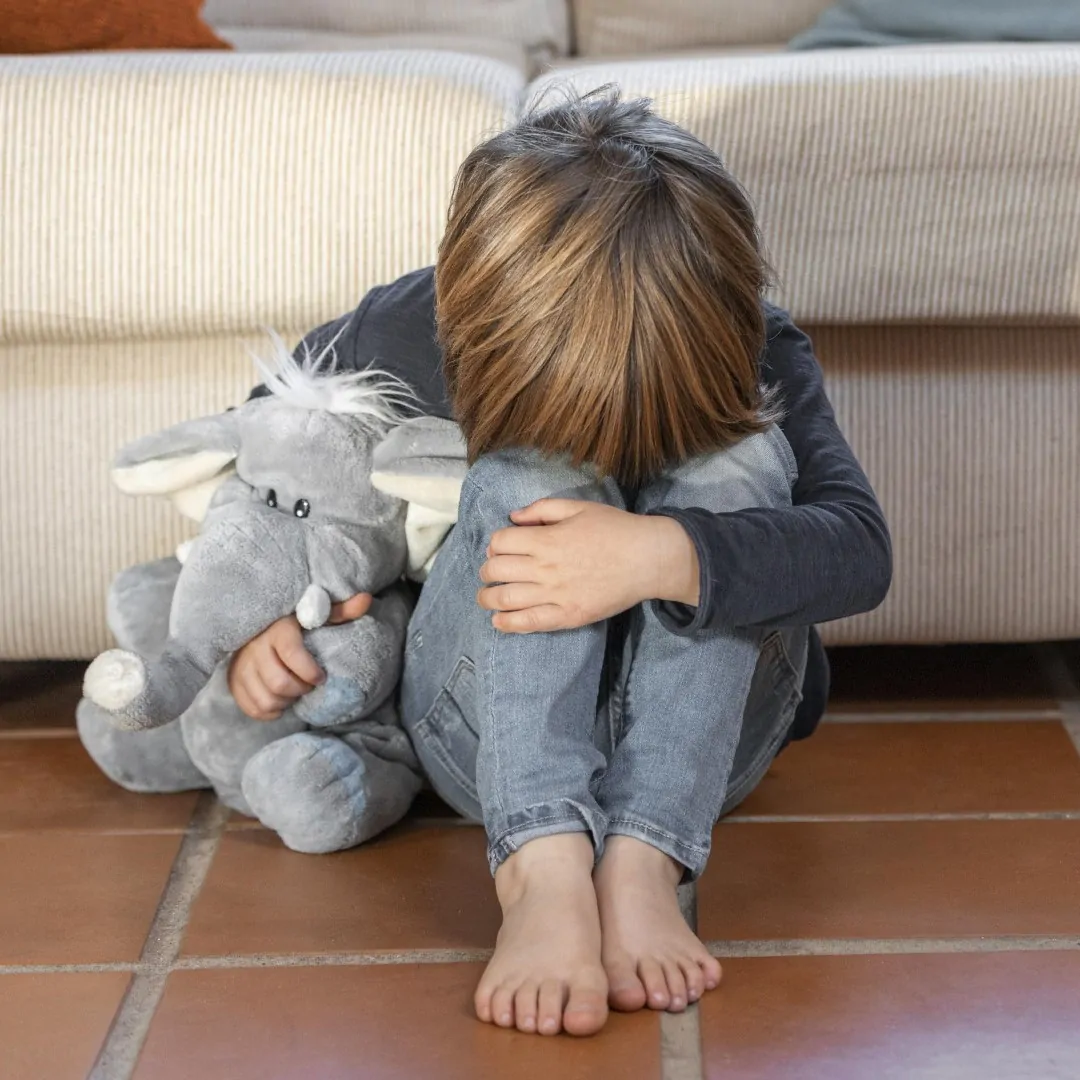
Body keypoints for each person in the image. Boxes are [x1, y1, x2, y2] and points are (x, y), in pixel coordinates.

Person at [228, 88, 891, 1038]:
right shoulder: (414, 326)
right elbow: (273, 458)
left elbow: (862, 553)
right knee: (525, 473)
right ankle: (539, 866)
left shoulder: (756, 341)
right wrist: (261, 618)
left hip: (709, 755)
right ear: (472, 328)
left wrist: (663, 554)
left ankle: (644, 860)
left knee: (741, 459)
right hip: (484, 736)